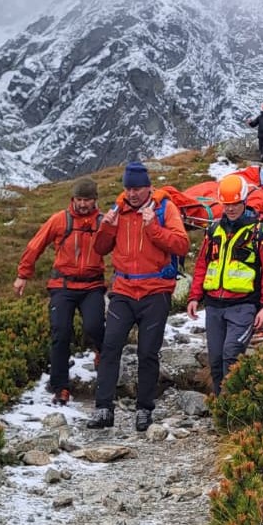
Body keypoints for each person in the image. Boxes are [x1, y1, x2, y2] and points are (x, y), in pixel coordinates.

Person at [88, 162, 190, 431]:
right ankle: (103, 409)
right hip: (123, 290)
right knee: (110, 348)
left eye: (137, 188)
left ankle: (144, 409)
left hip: (155, 291)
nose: (132, 194)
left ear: (148, 187)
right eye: (128, 188)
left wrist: (152, 227)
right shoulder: (117, 211)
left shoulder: (164, 209)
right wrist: (107, 228)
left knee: (148, 353)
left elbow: (181, 244)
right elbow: (100, 249)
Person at [13, 178, 106, 406]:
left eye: (88, 200)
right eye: (79, 199)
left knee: (94, 326)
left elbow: (122, 248)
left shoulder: (104, 222)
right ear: (73, 199)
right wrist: (23, 275)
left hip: (92, 285)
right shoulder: (59, 220)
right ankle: (61, 387)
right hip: (62, 286)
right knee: (60, 333)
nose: (83, 204)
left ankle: (101, 353)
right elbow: (36, 245)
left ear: (95, 200)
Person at [186, 175, 263, 395]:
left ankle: (236, 409)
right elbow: (202, 265)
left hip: (244, 306)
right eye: (226, 204)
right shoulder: (213, 232)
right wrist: (194, 297)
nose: (230, 209)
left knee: (232, 355)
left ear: (244, 201)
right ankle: (222, 410)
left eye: (235, 204)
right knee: (216, 361)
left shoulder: (260, 233)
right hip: (214, 306)